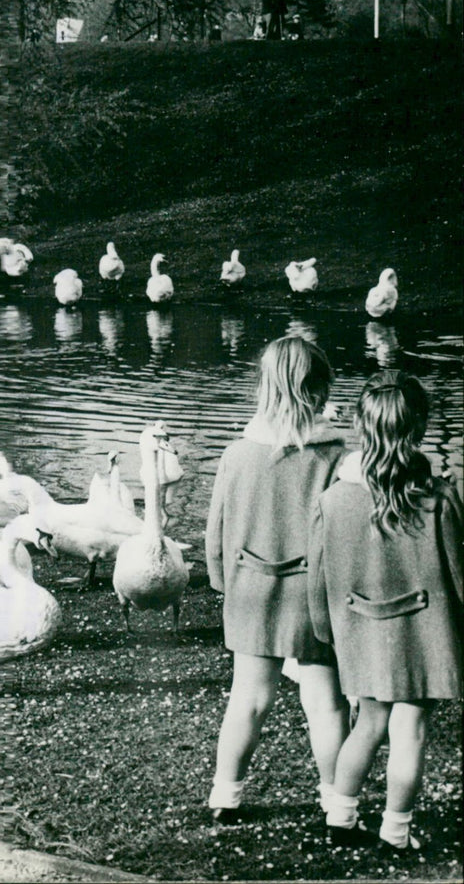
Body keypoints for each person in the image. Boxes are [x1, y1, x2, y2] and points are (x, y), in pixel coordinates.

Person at [309, 371, 463, 851]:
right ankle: (396, 830)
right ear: (419, 428)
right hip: (426, 635)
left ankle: (341, 813)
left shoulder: (333, 501)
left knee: (369, 724)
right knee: (410, 730)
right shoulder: (439, 498)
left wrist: (327, 634)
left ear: (359, 425)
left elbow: (318, 582)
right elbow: (460, 576)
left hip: (361, 631)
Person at [205, 335, 349, 822]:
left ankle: (226, 794)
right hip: (314, 596)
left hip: (252, 586)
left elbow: (216, 531)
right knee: (325, 704)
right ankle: (337, 803)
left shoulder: (237, 454)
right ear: (321, 389)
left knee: (248, 698)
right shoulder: (336, 458)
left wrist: (223, 582)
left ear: (263, 387)